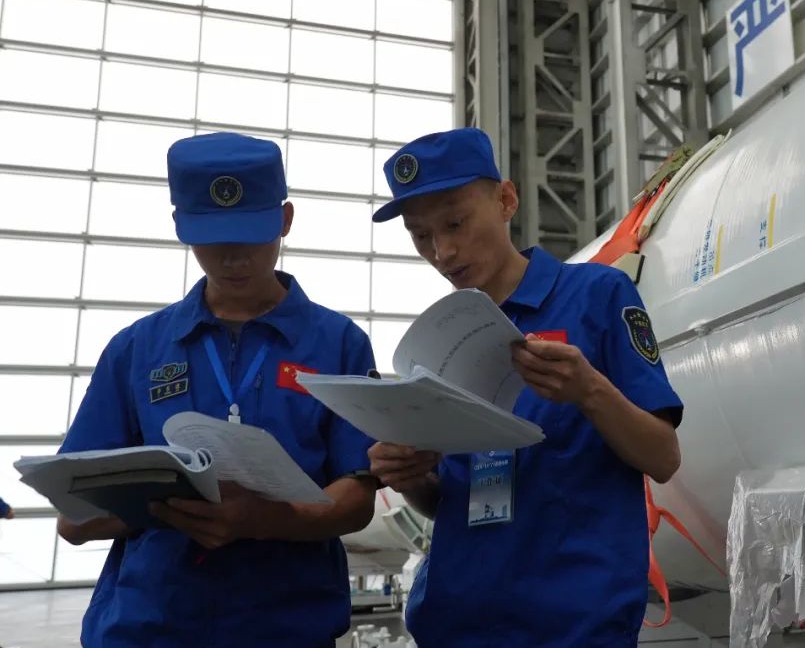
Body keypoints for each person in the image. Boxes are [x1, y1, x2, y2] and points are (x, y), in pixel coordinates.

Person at [57, 132, 379, 648]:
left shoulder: (339, 345)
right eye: (212, 239)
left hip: (287, 628)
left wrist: (263, 519)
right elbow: (73, 518)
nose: (233, 258)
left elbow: (357, 497)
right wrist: (164, 506)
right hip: (151, 628)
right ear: (179, 226)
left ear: (285, 219)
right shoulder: (136, 350)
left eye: (250, 236)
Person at [367, 127, 684, 647]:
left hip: (573, 626)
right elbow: (454, 500)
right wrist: (411, 477)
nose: (443, 251)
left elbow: (664, 457)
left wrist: (589, 391)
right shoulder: (439, 342)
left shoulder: (597, 296)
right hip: (457, 622)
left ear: (506, 200)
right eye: (421, 236)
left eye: (455, 223)